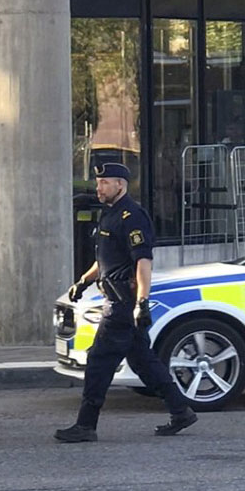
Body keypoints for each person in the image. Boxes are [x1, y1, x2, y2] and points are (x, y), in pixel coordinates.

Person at [54, 162, 198, 443]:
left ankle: (85, 425)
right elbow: (105, 260)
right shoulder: (109, 215)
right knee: (144, 362)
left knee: (98, 361)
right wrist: (82, 282)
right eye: (98, 183)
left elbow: (143, 263)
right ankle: (181, 411)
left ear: (120, 184)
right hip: (115, 298)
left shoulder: (133, 216)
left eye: (105, 183)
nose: (99, 188)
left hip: (122, 304)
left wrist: (141, 303)